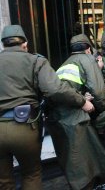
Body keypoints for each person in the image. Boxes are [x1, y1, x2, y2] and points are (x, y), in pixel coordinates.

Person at [0, 25, 94, 190]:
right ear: (25, 44)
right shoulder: (35, 60)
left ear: (3, 45)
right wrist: (82, 101)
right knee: (31, 174)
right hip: (24, 126)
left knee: (3, 180)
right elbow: (55, 89)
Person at [47, 34, 105, 190]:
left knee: (72, 159)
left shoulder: (65, 63)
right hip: (74, 117)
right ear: (88, 49)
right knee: (83, 160)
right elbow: (98, 92)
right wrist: (104, 111)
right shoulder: (87, 60)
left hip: (57, 117)